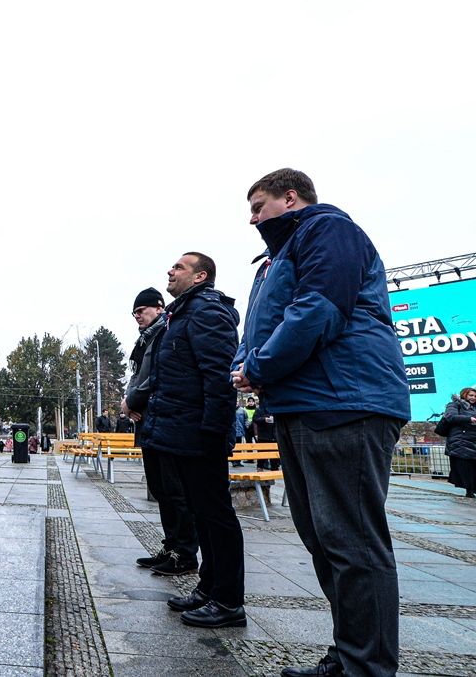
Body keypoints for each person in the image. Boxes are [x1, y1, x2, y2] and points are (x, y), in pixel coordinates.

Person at [232, 168, 410, 677]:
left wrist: (260, 366)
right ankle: (349, 652)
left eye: (258, 206)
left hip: (345, 401)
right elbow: (262, 327)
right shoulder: (277, 257)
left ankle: (367, 666)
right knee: (324, 540)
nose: (252, 219)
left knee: (352, 541)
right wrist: (245, 365)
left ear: (290, 198)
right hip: (302, 403)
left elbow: (318, 309)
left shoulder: (329, 230)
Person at [139, 256, 245, 628]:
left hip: (200, 435)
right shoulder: (183, 313)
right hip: (181, 432)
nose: (170, 270)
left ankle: (229, 600)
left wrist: (215, 434)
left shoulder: (207, 312)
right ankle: (209, 588)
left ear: (201, 276)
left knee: (216, 516)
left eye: (179, 267)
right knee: (201, 514)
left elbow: (218, 377)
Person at [123, 287, 198, 577]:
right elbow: (136, 375)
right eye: (134, 313)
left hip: (162, 418)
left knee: (174, 489)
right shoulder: (146, 338)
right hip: (148, 420)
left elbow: (157, 375)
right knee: (159, 489)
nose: (137, 317)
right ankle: (171, 546)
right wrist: (129, 404)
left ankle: (185, 553)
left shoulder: (165, 332)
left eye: (140, 311)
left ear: (158, 307)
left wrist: (131, 401)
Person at [443, 387, 476, 498]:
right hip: (460, 441)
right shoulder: (454, 405)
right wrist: (469, 419)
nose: (473, 398)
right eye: (471, 395)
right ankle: (470, 491)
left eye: (475, 396)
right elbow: (450, 417)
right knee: (466, 468)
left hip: (473, 440)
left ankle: (471, 490)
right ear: (464, 395)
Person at [252, 398, 279, 471]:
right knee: (262, 456)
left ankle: (274, 470)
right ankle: (260, 469)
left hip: (274, 436)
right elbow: (255, 419)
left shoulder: (275, 408)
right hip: (263, 437)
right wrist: (264, 419)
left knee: (274, 458)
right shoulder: (259, 409)